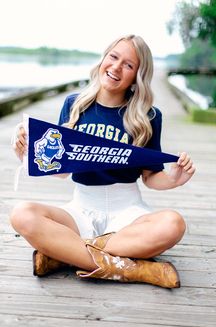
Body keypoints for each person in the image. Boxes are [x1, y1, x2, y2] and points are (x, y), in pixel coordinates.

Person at [10, 34, 195, 288]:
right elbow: (61, 170)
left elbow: (151, 177)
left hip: (127, 212)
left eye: (128, 65)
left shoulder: (147, 116)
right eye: (114, 57)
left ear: (137, 76)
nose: (117, 67)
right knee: (22, 215)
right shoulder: (74, 104)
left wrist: (174, 178)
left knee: (174, 224)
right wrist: (27, 152)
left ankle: (66, 255)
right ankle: (134, 270)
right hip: (80, 210)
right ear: (104, 58)